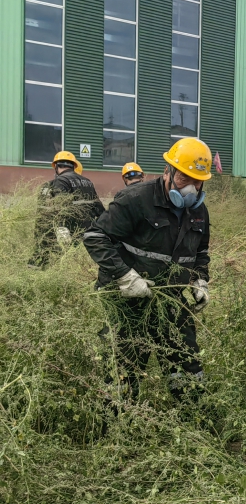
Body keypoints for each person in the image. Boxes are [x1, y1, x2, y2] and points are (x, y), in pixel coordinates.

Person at [83, 138, 214, 402]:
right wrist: (125, 276)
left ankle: (191, 410)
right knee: (125, 365)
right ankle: (117, 416)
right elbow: (96, 237)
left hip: (170, 298)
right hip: (127, 300)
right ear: (167, 172)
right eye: (183, 178)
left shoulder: (199, 212)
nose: (190, 188)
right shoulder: (135, 199)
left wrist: (199, 281)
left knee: (185, 360)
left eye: (197, 181)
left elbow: (200, 252)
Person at [29, 151, 105, 268]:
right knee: (76, 260)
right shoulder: (87, 182)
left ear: (56, 166)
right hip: (85, 230)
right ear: (74, 165)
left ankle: (38, 268)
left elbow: (61, 205)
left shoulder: (58, 182)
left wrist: (61, 226)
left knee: (59, 258)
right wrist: (105, 226)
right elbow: (98, 208)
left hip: (65, 228)